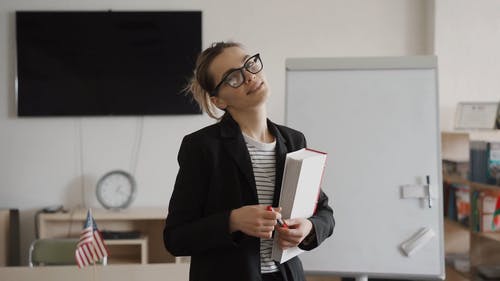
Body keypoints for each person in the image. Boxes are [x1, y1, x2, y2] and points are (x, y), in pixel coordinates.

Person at [163, 41, 335, 281]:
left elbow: (324, 212)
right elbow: (176, 238)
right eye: (233, 77)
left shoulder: (294, 140)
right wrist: (232, 221)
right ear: (218, 100)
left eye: (250, 64)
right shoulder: (201, 147)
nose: (249, 76)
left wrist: (308, 228)